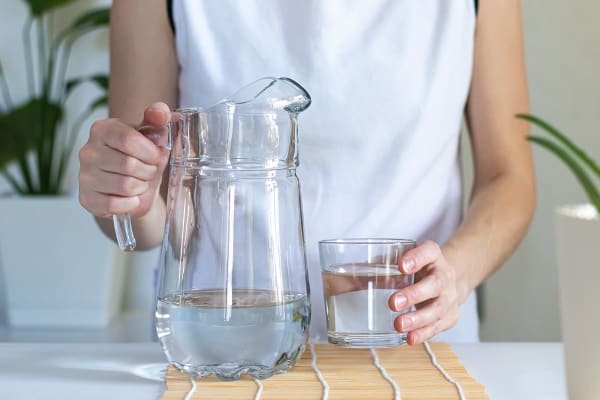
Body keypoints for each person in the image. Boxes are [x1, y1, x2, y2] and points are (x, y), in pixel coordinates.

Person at [79, 0, 535, 344]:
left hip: (415, 347)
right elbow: (150, 209)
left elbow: (508, 178)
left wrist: (455, 272)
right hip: (223, 345)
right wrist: (127, 194)